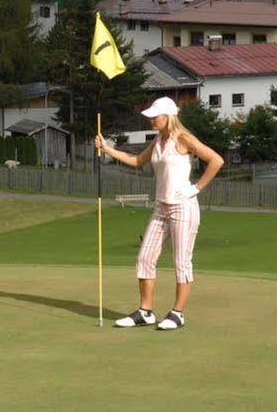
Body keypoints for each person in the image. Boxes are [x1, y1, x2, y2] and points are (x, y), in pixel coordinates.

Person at [95, 96, 224, 331]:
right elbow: (136, 161)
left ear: (168, 117)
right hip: (161, 207)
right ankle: (145, 312)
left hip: (183, 207)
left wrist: (196, 188)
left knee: (181, 262)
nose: (152, 120)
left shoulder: (183, 138)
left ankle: (177, 313)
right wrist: (106, 149)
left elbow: (216, 160)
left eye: (155, 116)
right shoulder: (157, 141)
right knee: (145, 259)